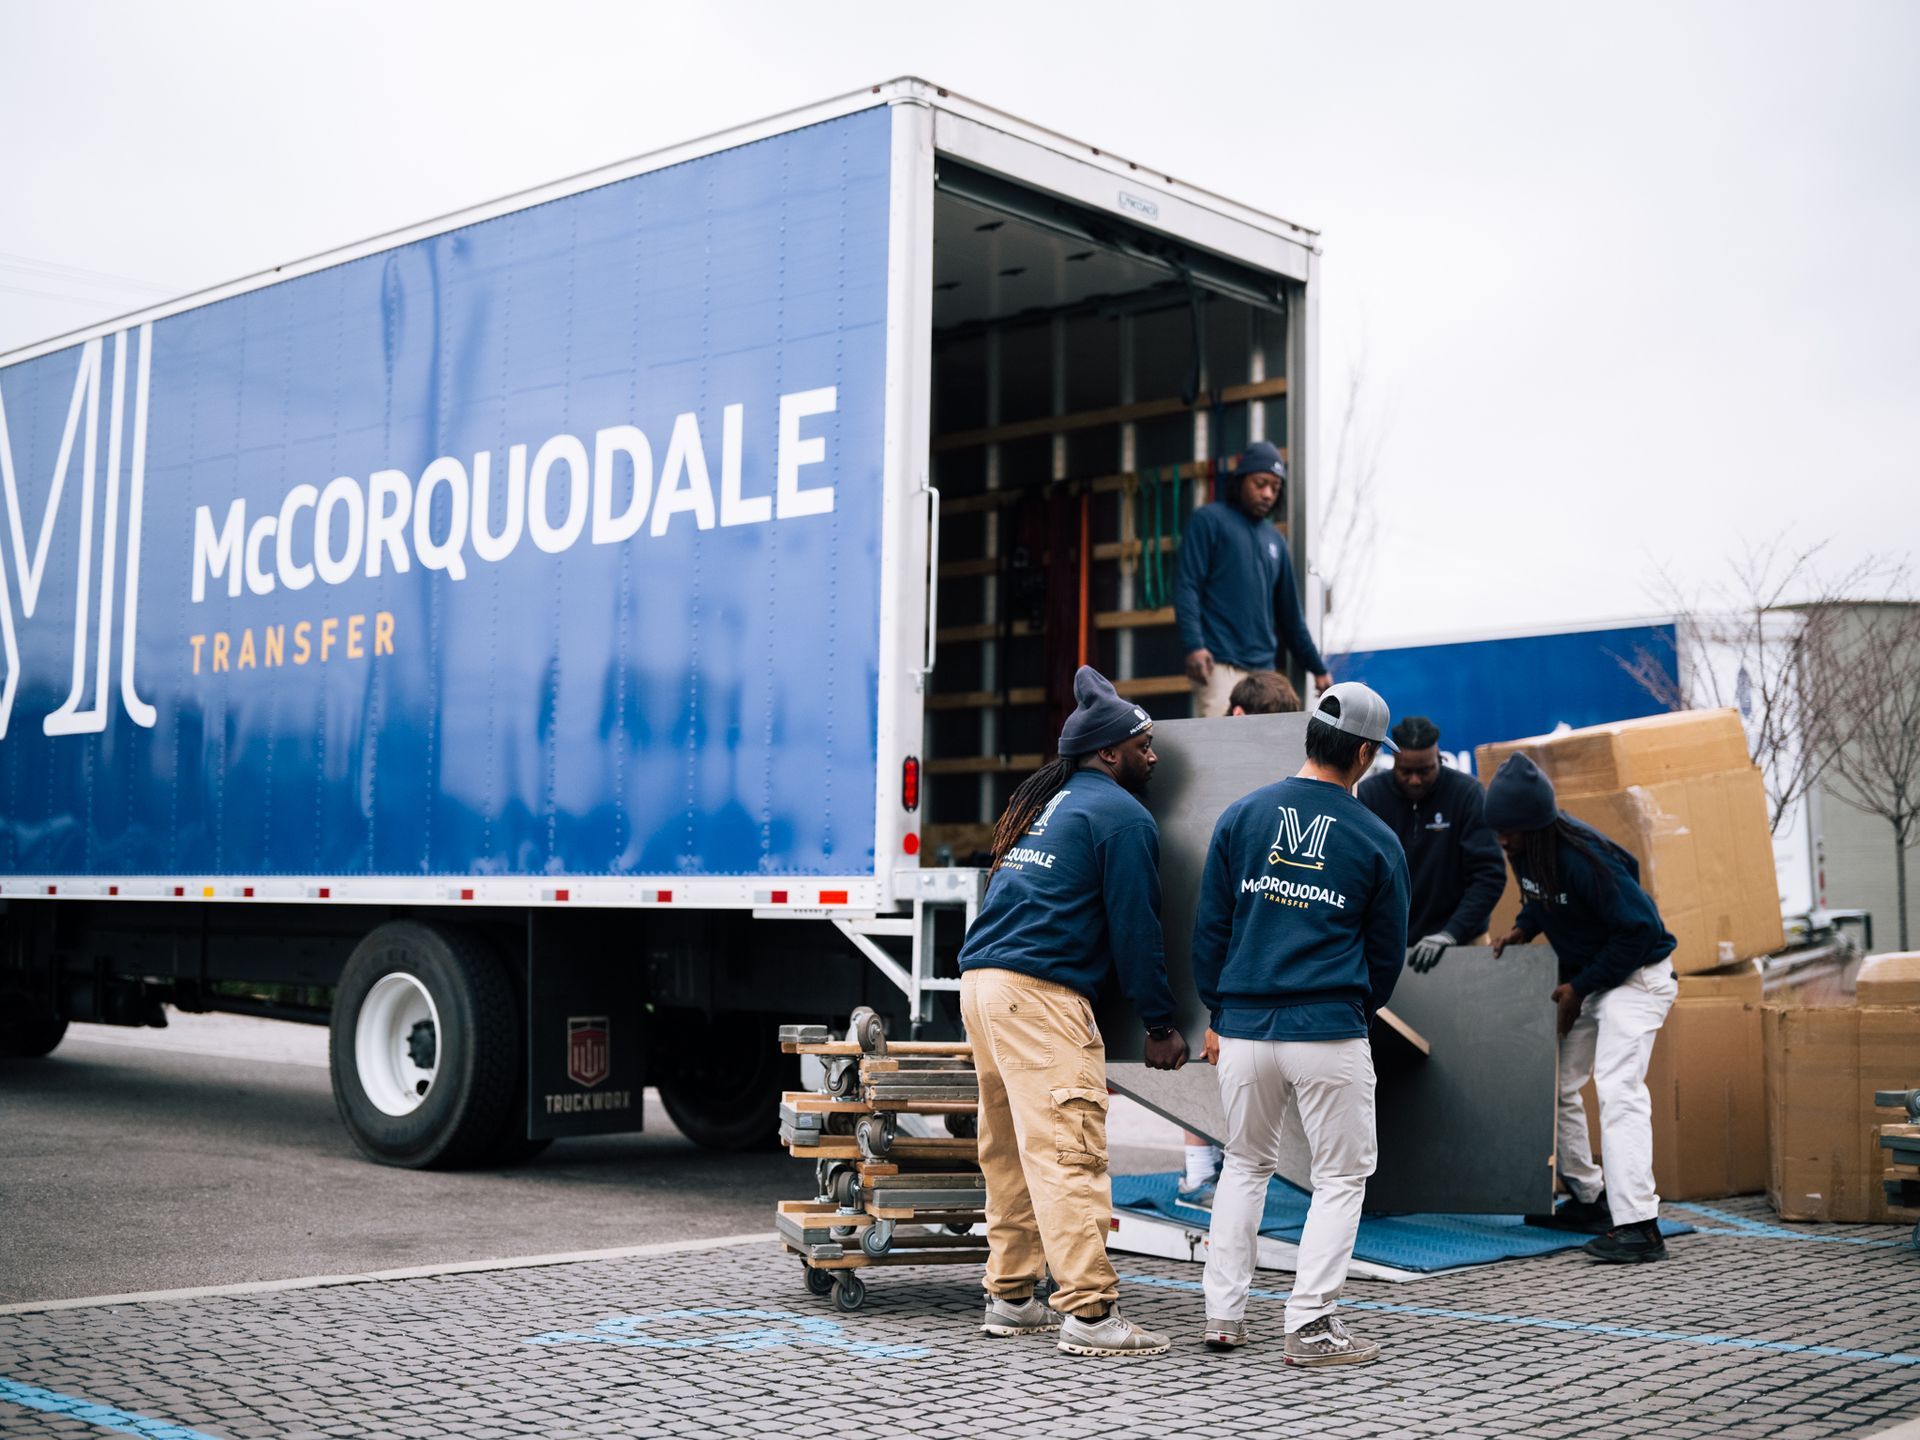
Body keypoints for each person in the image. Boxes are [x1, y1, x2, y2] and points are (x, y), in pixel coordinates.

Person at [957, 665, 1191, 1357]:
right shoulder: (1121, 815)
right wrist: (1159, 1022)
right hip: (1039, 996)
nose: (1154, 755)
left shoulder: (1042, 806)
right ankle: (1089, 1315)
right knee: (1069, 1150)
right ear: (1109, 753)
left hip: (983, 984)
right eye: (1144, 745)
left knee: (1009, 1151)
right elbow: (1136, 927)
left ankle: (1011, 1296)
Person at [1192, 682, 1409, 1365]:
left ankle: (1224, 1317)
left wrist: (1219, 1011)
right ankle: (1310, 1325)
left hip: (1244, 1030)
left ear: (1308, 736)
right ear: (1366, 754)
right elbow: (1386, 953)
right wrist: (1350, 1007)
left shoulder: (1242, 816)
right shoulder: (1376, 838)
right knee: (1341, 1177)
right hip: (1327, 1027)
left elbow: (1211, 931)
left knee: (1244, 1166)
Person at [1485, 753, 1678, 1263]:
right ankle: (1590, 1197)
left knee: (1618, 1089)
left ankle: (1639, 1225)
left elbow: (1642, 929)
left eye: (1511, 830)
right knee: (1558, 1084)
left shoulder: (1582, 856)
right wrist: (1526, 926)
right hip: (1593, 980)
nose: (1503, 840)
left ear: (1537, 824)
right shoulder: (1528, 845)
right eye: (1498, 828)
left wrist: (1579, 986)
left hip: (1637, 977)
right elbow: (1546, 895)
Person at [1178, 666, 1304, 1208]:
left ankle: (1226, 1167)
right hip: (1210, 929)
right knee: (1202, 1057)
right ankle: (1198, 1172)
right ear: (1235, 718)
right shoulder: (1210, 771)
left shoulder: (1281, 780)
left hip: (1259, 937)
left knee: (1242, 1071)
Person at [1174, 441, 1331, 718]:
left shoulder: (1276, 542)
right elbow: (1187, 585)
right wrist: (1194, 645)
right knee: (1222, 750)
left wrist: (1317, 668)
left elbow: (1291, 618)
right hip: (1219, 664)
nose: (1268, 494)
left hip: (1264, 672)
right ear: (1241, 480)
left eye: (1275, 487)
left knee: (1264, 751)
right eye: (1260, 484)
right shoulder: (1209, 520)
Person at [1356, 715, 1507, 972]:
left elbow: (1488, 875)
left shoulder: (1467, 794)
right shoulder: (1369, 796)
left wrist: (1451, 933)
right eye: (1406, 772)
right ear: (1393, 762)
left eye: (1425, 771)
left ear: (1439, 757)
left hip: (1461, 942)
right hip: (1388, 948)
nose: (1415, 780)